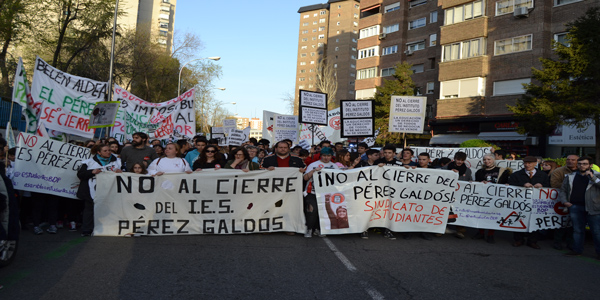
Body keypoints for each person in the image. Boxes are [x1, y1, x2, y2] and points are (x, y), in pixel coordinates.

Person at [558, 156, 600, 259]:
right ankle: (577, 250)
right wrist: (565, 201)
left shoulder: (597, 175)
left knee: (596, 231)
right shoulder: (570, 176)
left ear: (590, 165)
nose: (582, 166)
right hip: (575, 206)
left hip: (593, 207)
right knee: (577, 230)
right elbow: (563, 190)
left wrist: (593, 177)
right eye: (580, 164)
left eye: (585, 164)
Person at [77, 144, 123, 236]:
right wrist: (91, 172)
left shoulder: (117, 161)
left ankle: (107, 228)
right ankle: (87, 229)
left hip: (110, 190)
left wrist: (120, 172)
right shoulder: (89, 162)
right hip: (90, 190)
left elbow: (124, 174)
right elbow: (80, 174)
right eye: (105, 151)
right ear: (99, 152)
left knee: (109, 209)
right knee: (89, 209)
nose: (108, 152)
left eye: (109, 150)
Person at [507, 156, 550, 249]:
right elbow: (510, 185)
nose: (527, 165)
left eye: (530, 163)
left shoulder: (543, 175)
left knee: (534, 221)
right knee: (518, 219)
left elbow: (549, 186)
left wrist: (542, 185)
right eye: (525, 163)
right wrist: (522, 185)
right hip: (520, 202)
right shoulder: (517, 174)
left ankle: (532, 241)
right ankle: (518, 240)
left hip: (536, 202)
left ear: (535, 164)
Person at [472, 153, 509, 243]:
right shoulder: (480, 172)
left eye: (489, 159)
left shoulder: (502, 171)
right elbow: (477, 183)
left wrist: (507, 184)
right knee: (481, 214)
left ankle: (490, 235)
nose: (487, 161)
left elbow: (506, 182)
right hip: (483, 197)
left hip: (496, 197)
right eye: (485, 159)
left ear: (493, 160)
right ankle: (481, 233)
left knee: (493, 215)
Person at [303, 147, 338, 238]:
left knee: (324, 211)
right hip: (312, 192)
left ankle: (319, 229)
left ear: (331, 156)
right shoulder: (313, 165)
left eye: (328, 156)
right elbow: (305, 178)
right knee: (312, 210)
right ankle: (309, 228)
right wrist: (313, 171)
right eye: (324, 155)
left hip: (327, 193)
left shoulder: (334, 166)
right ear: (320, 156)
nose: (326, 158)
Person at [549, 154, 578, 250]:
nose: (570, 161)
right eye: (568, 159)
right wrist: (571, 184)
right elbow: (555, 184)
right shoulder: (559, 171)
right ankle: (557, 242)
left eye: (573, 160)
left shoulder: (582, 171)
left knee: (574, 223)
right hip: (562, 200)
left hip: (578, 201)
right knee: (561, 223)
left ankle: (571, 242)